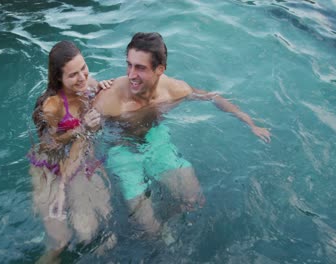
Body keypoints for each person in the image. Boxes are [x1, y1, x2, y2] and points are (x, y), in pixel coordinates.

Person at [93, 32, 271, 234]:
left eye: (140, 68)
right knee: (148, 227)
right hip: (121, 149)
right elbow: (79, 132)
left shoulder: (172, 90)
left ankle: (170, 219)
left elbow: (212, 97)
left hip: (154, 138)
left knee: (194, 199)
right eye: (129, 65)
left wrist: (250, 123)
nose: (131, 74)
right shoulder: (109, 101)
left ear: (160, 69)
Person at [29, 40, 114, 262]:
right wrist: (82, 127)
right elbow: (49, 144)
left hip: (81, 159)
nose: (83, 78)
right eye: (73, 74)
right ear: (59, 78)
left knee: (93, 231)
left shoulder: (87, 84)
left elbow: (95, 88)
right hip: (48, 165)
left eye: (84, 68)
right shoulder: (52, 105)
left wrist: (101, 87)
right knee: (60, 242)